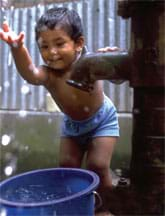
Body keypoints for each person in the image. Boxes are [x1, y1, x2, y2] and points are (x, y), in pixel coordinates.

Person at [0, 7, 119, 213]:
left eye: (59, 44)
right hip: (72, 126)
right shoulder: (48, 74)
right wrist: (17, 48)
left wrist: (114, 59)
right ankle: (73, 204)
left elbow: (119, 79)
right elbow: (30, 74)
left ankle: (106, 205)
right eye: (44, 46)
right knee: (66, 166)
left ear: (78, 43)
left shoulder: (89, 63)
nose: (52, 52)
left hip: (103, 120)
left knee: (98, 165)